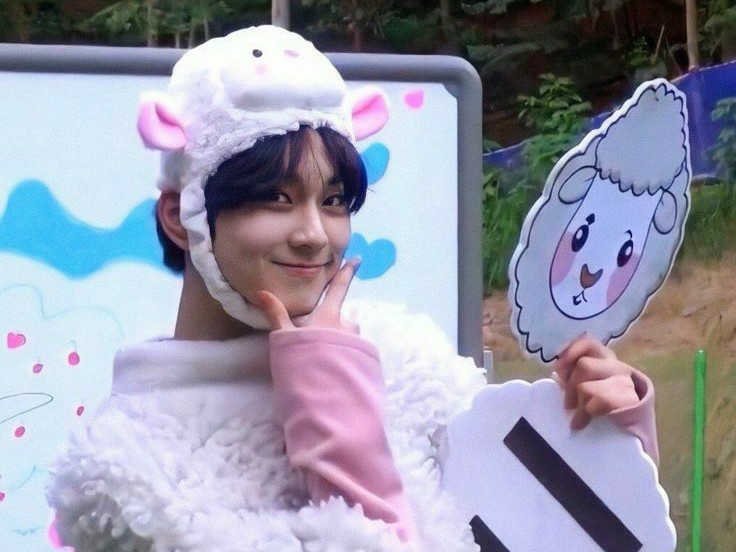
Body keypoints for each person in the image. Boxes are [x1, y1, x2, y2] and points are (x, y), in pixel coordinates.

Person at [48, 25, 659, 552]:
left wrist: (609, 438)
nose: (314, 234)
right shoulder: (126, 470)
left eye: (334, 200)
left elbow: (540, 532)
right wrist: (337, 420)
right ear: (180, 217)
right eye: (277, 198)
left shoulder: (405, 359)